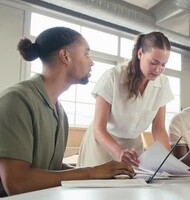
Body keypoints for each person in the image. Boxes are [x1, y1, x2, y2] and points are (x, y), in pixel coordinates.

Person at [0, 27, 135, 197]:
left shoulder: (60, 113)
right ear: (65, 56)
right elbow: (17, 182)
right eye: (86, 54)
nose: (91, 62)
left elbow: (51, 169)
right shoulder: (17, 100)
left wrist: (100, 174)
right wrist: (91, 173)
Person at [78, 32, 173, 168]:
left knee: (133, 187)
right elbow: (99, 128)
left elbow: (159, 128)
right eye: (154, 63)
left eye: (164, 65)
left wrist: (167, 160)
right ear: (140, 54)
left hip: (132, 147)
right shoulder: (112, 77)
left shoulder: (163, 83)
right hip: (103, 144)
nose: (158, 70)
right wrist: (119, 152)